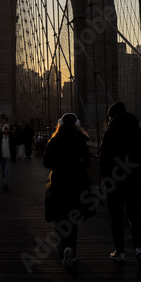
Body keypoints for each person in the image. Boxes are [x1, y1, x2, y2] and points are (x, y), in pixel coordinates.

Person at [99, 101, 141, 271]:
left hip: (115, 182)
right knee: (136, 216)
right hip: (135, 182)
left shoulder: (110, 134)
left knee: (116, 217)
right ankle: (139, 249)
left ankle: (120, 251)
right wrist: (140, 173)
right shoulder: (140, 133)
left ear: (112, 116)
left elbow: (103, 160)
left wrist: (106, 179)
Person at [43, 112, 94, 270]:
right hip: (77, 185)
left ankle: (63, 248)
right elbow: (87, 162)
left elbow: (46, 162)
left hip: (58, 185)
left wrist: (58, 165)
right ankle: (71, 250)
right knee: (73, 220)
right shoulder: (81, 140)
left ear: (60, 125)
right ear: (77, 125)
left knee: (58, 217)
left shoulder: (55, 140)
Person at [0, 124, 16, 189]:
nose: (5, 130)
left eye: (7, 129)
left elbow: (14, 147)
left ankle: (6, 182)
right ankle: (4, 180)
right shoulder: (0, 137)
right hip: (2, 156)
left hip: (9, 156)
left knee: (7, 170)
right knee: (3, 169)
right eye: (5, 129)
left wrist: (14, 156)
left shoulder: (11, 137)